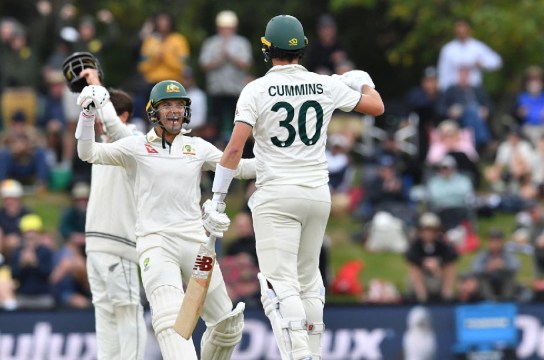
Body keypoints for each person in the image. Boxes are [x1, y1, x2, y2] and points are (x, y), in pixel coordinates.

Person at [205, 15, 384, 360]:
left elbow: (234, 149)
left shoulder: (255, 89)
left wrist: (217, 198)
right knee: (308, 280)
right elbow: (376, 105)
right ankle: (313, 353)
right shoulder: (325, 85)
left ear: (266, 49)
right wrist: (362, 80)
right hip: (318, 195)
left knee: (278, 284)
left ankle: (300, 354)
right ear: (302, 47)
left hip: (276, 195)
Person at [76, 79, 256, 359]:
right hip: (156, 244)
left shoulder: (197, 147)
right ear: (153, 111)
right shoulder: (135, 147)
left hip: (196, 244)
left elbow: (240, 167)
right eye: (167, 105)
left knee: (227, 326)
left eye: (179, 105)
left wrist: (286, 161)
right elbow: (88, 153)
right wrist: (87, 114)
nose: (174, 111)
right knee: (169, 320)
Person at [75, 67, 147, 359]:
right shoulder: (100, 147)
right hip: (95, 246)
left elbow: (114, 127)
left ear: (124, 116)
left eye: (107, 111)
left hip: (120, 246)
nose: (102, 120)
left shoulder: (136, 140)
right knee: (104, 315)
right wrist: (89, 101)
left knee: (128, 313)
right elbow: (84, 133)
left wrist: (97, 86)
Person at [199, 10, 253, 142]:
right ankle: (215, 149)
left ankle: (240, 149)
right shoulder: (210, 43)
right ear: (218, 28)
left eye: (229, 28)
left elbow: (246, 64)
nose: (226, 31)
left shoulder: (242, 43)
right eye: (223, 28)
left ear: (234, 28)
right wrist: (220, 59)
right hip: (216, 90)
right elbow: (204, 65)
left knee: (239, 122)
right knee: (214, 122)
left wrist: (230, 55)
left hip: (236, 90)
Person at [405, 212, 459, 303]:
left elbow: (453, 256)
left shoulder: (442, 244)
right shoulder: (416, 244)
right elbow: (410, 256)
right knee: (413, 267)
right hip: (422, 280)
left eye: (432, 230)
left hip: (438, 277)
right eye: (426, 230)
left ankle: (447, 295)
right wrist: (424, 262)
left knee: (450, 266)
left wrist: (438, 262)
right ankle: (421, 297)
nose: (428, 234)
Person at [437, 18, 502, 91]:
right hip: (453, 90)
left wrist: (482, 63)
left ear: (469, 30)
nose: (461, 31)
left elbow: (497, 62)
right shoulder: (448, 49)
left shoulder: (477, 47)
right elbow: (443, 72)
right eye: (459, 28)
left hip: (474, 89)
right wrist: (443, 91)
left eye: (464, 28)